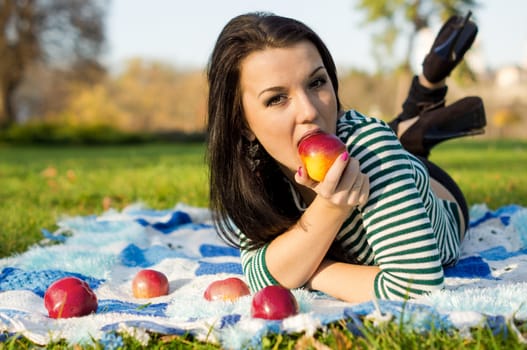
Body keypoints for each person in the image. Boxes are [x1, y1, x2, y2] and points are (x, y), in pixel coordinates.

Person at [206, 12, 486, 303]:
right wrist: (331, 209)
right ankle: (415, 118)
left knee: (378, 144)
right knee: (385, 141)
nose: (309, 111)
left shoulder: (373, 149)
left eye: (316, 83)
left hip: (436, 195)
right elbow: (257, 272)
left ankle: (417, 113)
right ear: (242, 124)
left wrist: (311, 273)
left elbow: (417, 289)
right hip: (380, 156)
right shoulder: (255, 172)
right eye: (276, 98)